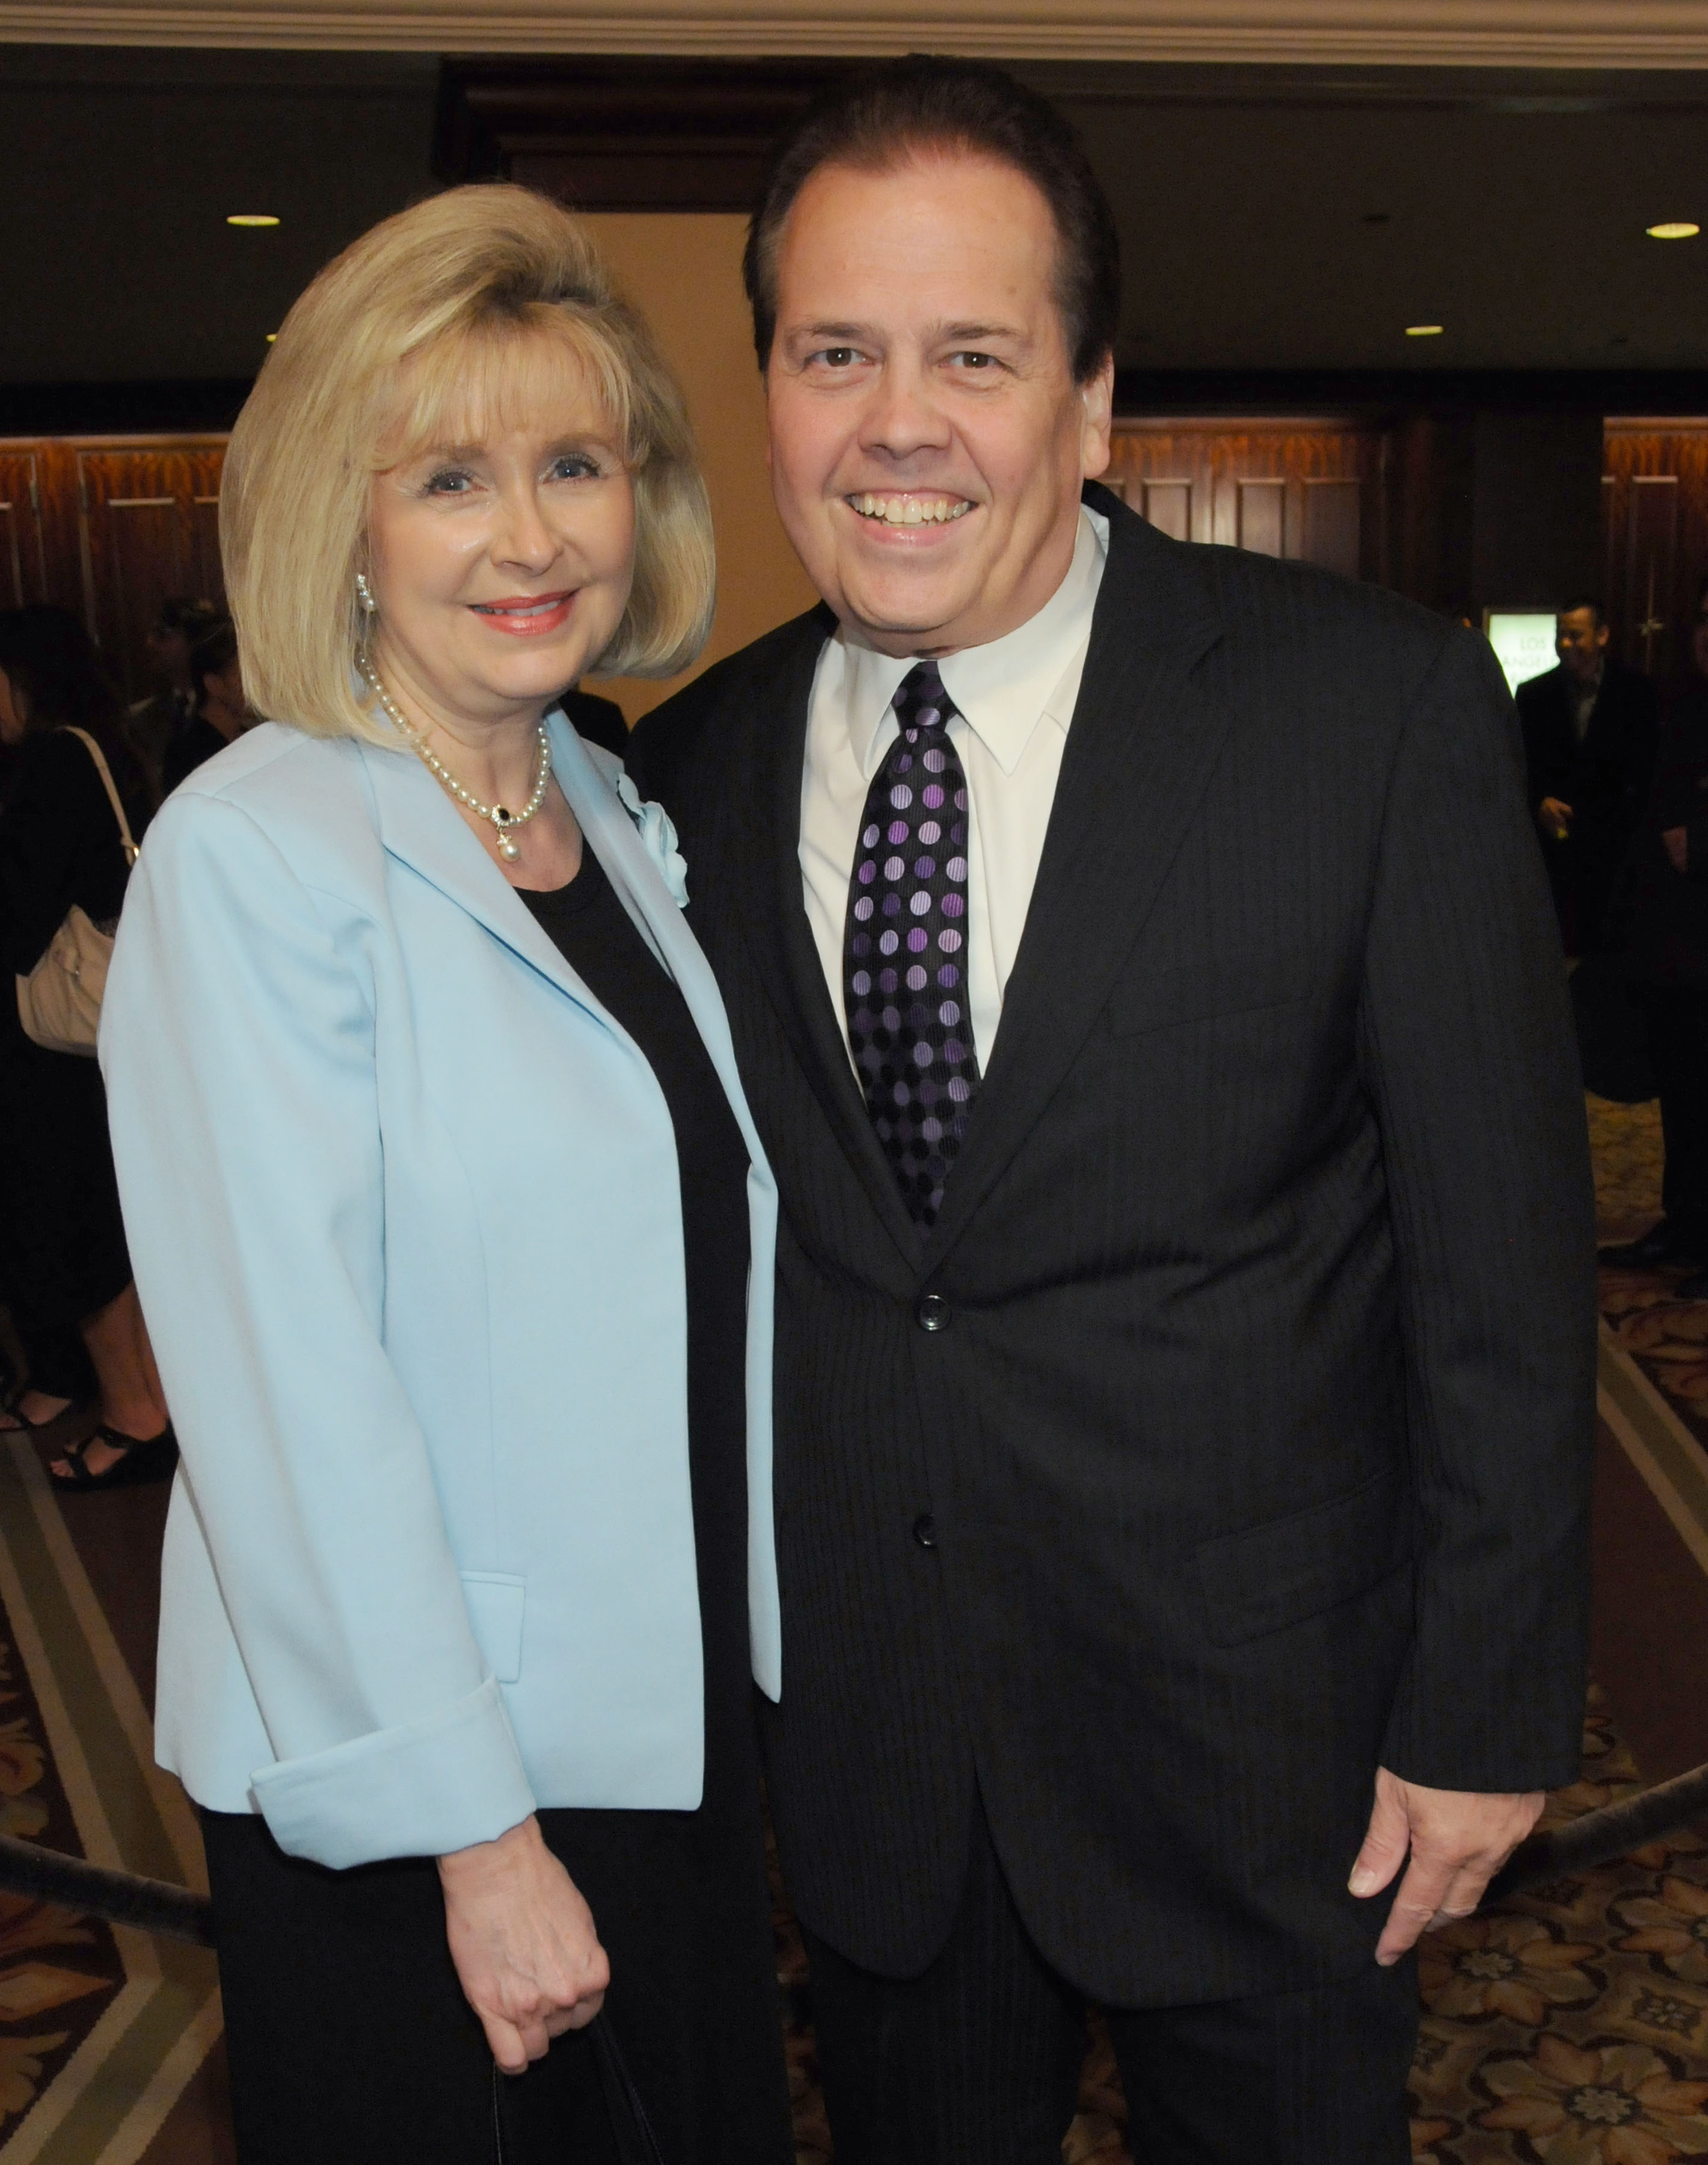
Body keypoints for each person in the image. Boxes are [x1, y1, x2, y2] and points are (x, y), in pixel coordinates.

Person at [630, 57, 1595, 2165]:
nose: (899, 423)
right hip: (878, 1778)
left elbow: (1503, 1280)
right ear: (768, 389)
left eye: (973, 356)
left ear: (1088, 399)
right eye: (835, 353)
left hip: (1274, 1763)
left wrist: (1488, 1711)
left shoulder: (1365, 714)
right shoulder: (675, 778)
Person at [99, 185, 791, 2165]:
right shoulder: (258, 852)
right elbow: (289, 1400)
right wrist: (476, 1834)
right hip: (424, 1788)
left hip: (662, 1733)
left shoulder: (604, 803)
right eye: (452, 479)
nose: (531, 536)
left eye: (575, 464)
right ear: (346, 518)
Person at [0, 606, 175, 1485]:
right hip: (103, 1034)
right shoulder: (106, 747)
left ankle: (135, 1414)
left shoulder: (54, 760)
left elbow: (21, 911)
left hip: (55, 1046)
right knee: (109, 1224)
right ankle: (144, 1403)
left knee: (78, 1231)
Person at [1601, 572, 1708, 1280]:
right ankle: (1685, 1222)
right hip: (1674, 949)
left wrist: (1695, 840)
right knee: (1681, 1095)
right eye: (1701, 620)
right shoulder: (1687, 708)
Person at [1517, 597, 1660, 954]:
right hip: (1554, 862)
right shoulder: (1533, 696)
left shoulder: (1636, 694)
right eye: (1560, 634)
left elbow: (1647, 776)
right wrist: (1538, 803)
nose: (1566, 644)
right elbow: (1519, 769)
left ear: (1602, 635)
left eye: (1576, 635)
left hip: (1615, 861)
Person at [127, 597, 221, 787]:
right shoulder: (140, 718)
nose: (149, 643)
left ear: (196, 641)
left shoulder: (229, 711)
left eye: (162, 635)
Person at [159, 615, 250, 793]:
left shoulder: (250, 737)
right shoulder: (186, 753)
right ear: (214, 684)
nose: (252, 687)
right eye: (241, 677)